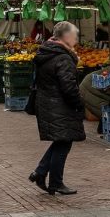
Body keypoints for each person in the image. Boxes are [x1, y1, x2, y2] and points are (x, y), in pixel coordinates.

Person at [28, 21, 84, 195]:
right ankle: (56, 183)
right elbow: (69, 87)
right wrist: (79, 104)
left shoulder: (47, 52)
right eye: (74, 35)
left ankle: (40, 172)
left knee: (60, 141)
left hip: (48, 104)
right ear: (65, 36)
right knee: (64, 142)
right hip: (60, 106)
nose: (76, 39)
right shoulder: (63, 58)